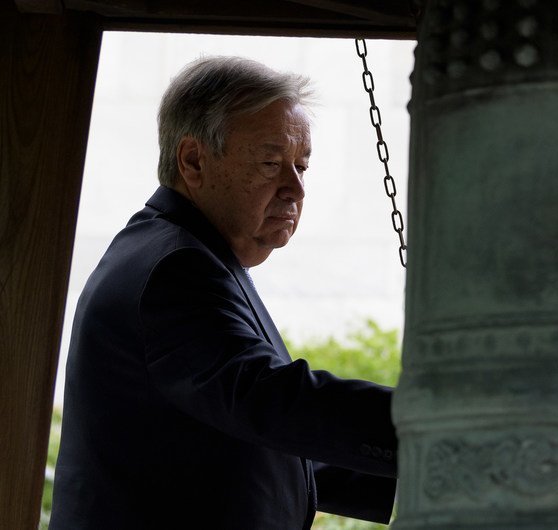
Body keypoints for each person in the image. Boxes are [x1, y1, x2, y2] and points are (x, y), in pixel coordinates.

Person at [50, 56, 398, 530]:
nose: (294, 190)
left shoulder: (177, 252)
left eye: (301, 166)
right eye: (271, 163)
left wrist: (417, 472)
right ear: (193, 161)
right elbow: (266, 401)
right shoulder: (176, 268)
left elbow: (237, 435)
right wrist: (438, 430)